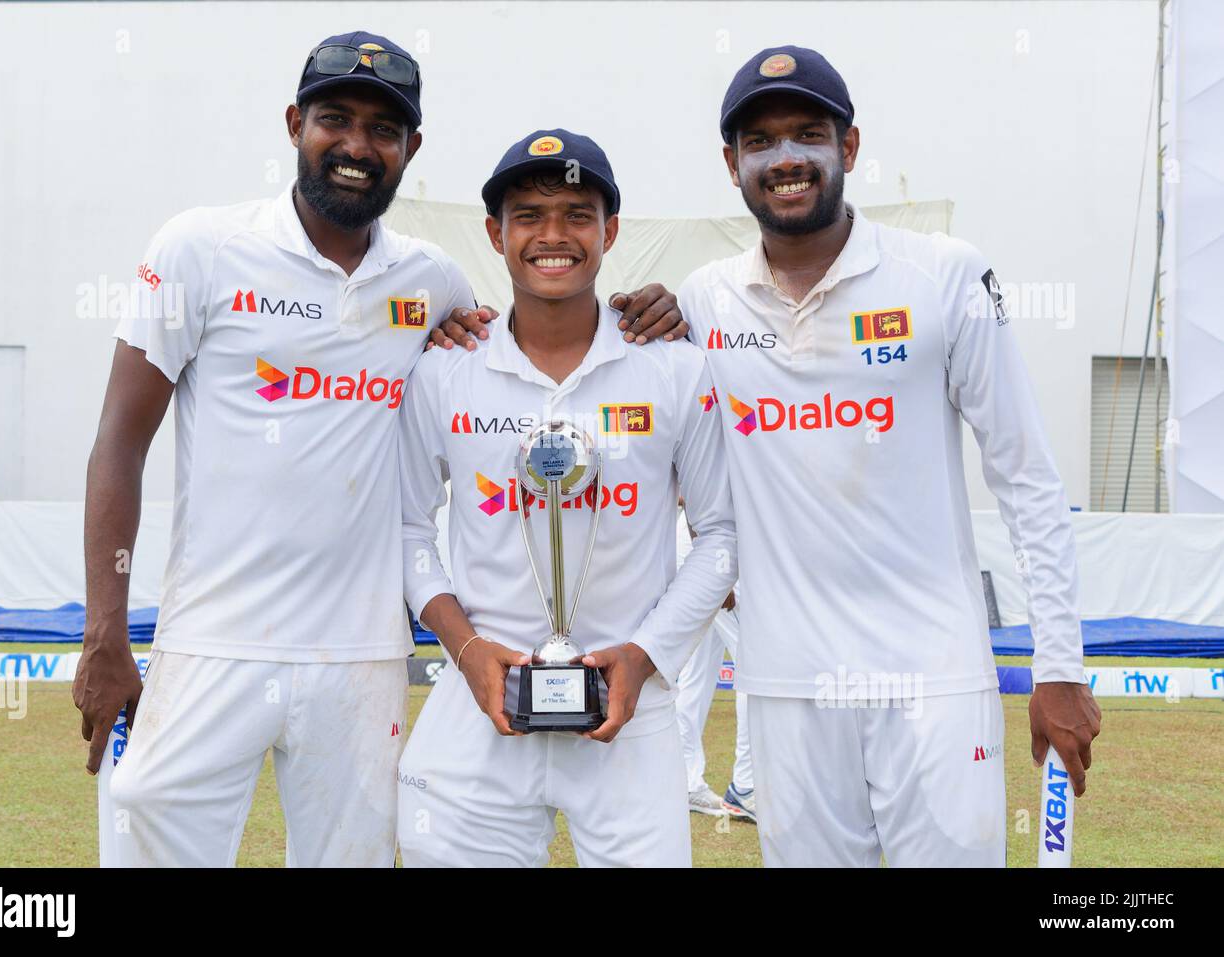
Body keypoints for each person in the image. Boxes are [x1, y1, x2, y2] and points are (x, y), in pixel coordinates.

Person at [75, 32, 686, 868]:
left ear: (411, 148)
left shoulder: (430, 283)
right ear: (295, 123)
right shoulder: (201, 249)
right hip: (210, 639)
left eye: (384, 130)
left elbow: (531, 344)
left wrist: (647, 311)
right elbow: (117, 443)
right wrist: (104, 632)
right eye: (337, 119)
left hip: (362, 657)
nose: (358, 146)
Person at [677, 45, 1101, 867]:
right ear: (733, 165)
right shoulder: (702, 301)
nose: (787, 158)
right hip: (788, 687)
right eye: (760, 143)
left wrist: (1060, 662)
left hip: (935, 683)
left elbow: (1027, 478)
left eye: (809, 134)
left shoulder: (942, 277)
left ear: (850, 148)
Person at [396, 130, 737, 867]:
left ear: (610, 231)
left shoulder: (675, 368)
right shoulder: (445, 371)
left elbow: (721, 535)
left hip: (628, 717)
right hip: (478, 709)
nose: (554, 235)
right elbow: (406, 529)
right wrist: (468, 648)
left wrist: (643, 655)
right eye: (529, 215)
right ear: (496, 233)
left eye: (578, 214)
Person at [675, 507, 754, 821]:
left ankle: (687, 782)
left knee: (697, 676)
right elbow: (688, 494)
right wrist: (713, 573)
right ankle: (746, 788)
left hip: (715, 550)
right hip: (715, 553)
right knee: (754, 670)